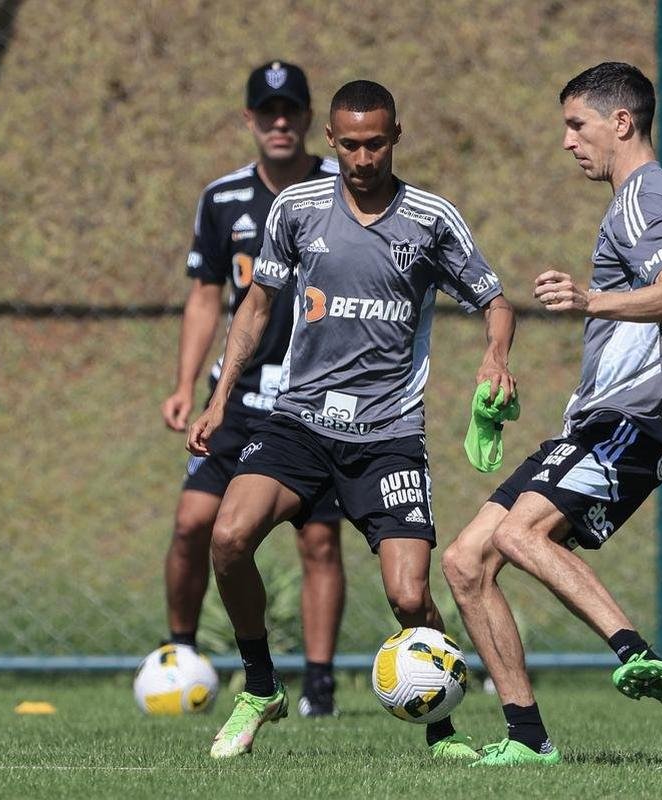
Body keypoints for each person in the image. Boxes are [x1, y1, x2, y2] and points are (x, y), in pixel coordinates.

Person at [187, 79, 517, 760]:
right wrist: (219, 397)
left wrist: (495, 357)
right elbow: (255, 305)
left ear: (396, 136)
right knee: (228, 536)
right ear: (330, 141)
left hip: (388, 434)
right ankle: (261, 687)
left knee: (409, 597)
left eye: (376, 144)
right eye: (351, 146)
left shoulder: (430, 219)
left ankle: (442, 730)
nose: (364, 159)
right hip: (299, 423)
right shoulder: (297, 208)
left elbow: (495, 300)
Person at [442, 62, 662, 766]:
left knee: (519, 533)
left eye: (576, 125)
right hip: (599, 423)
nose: (567, 141)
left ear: (621, 122)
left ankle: (633, 650)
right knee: (465, 562)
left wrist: (591, 300)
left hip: (627, 423)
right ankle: (528, 739)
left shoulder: (646, 199)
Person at [159, 61, 346, 717]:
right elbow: (204, 296)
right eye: (268, 112)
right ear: (250, 119)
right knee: (193, 523)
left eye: (291, 111)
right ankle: (180, 656)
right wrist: (186, 384)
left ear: (309, 118)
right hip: (236, 397)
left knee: (318, 541)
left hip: (315, 398)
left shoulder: (343, 187)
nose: (280, 123)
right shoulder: (223, 198)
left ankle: (318, 684)